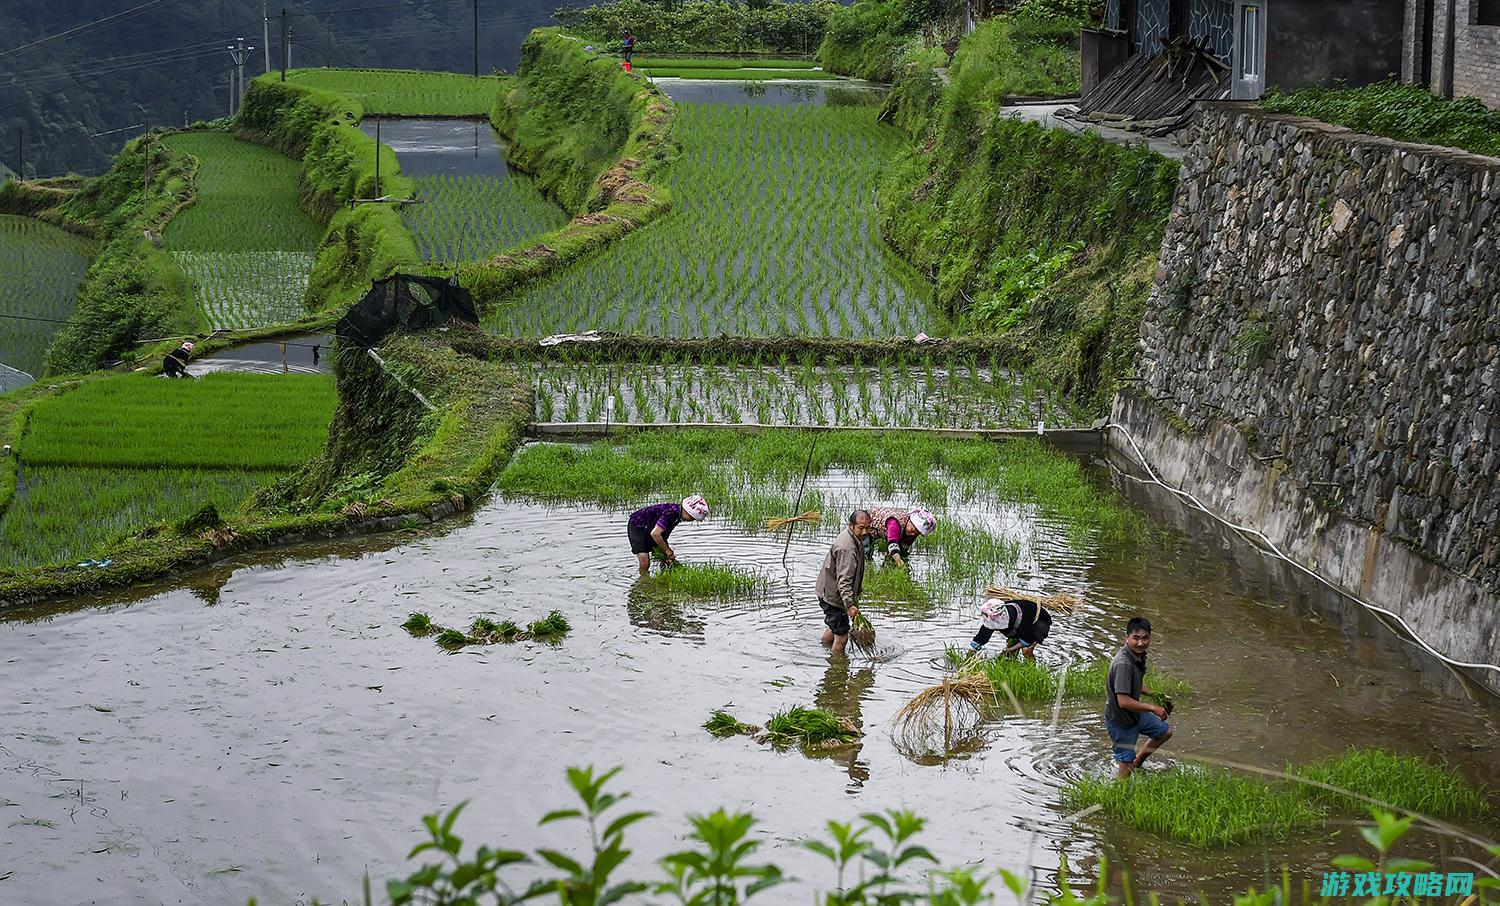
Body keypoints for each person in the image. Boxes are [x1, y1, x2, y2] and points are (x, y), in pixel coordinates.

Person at [1105, 616, 1172, 779]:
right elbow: (1123, 701)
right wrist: (1153, 707)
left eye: (1145, 638)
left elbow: (1135, 683)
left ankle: (1138, 763)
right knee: (1124, 768)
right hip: (1121, 721)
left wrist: (1154, 695)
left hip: (1135, 715)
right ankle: (1118, 797)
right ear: (1126, 638)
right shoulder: (1123, 664)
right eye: (1136, 638)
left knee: (1164, 732)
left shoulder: (1138, 655)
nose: (1141, 643)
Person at [816, 510, 870, 655]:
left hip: (830, 592)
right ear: (851, 525)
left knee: (836, 627)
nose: (865, 531)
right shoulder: (847, 547)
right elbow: (844, 580)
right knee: (842, 636)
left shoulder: (854, 538)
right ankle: (836, 669)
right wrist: (850, 605)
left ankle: (823, 649)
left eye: (867, 527)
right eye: (861, 527)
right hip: (833, 596)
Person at [628, 495, 709, 576]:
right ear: (687, 512)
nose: (691, 520)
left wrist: (666, 550)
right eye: (692, 518)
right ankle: (643, 579)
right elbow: (655, 534)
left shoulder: (677, 514)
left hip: (651, 527)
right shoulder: (671, 513)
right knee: (645, 561)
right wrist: (667, 550)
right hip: (637, 526)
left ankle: (665, 576)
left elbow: (663, 532)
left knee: (666, 558)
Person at [969, 596, 1052, 658]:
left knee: (1026, 651)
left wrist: (1008, 650)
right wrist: (971, 652)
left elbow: (1028, 639)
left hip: (1038, 621)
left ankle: (1032, 670)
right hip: (1018, 627)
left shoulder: (1020, 619)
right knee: (1009, 655)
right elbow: (982, 637)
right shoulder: (992, 616)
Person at [863, 506, 936, 568]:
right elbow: (893, 545)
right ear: (910, 521)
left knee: (893, 557)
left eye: (917, 533)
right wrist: (899, 563)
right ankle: (866, 569)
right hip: (869, 526)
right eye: (912, 530)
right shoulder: (895, 523)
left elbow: (904, 547)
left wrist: (903, 559)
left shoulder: (912, 532)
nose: (913, 534)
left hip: (884, 532)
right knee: (866, 552)